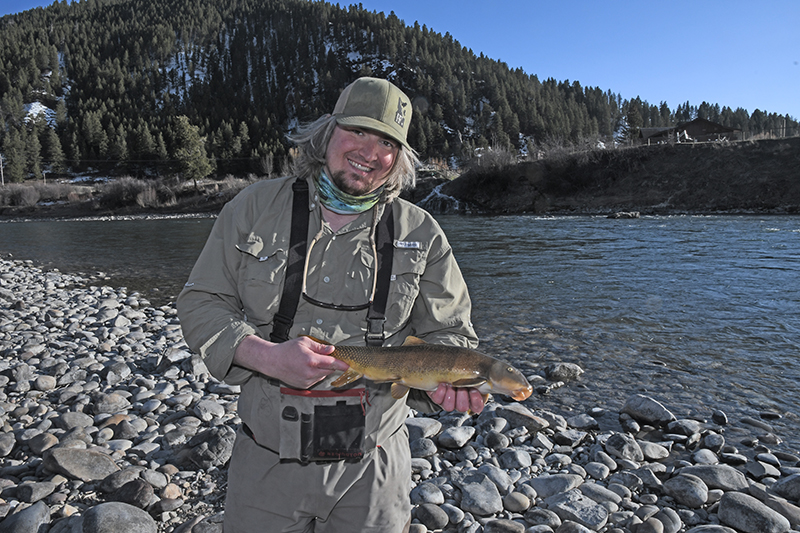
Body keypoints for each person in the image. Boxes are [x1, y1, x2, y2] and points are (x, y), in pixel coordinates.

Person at [176, 77, 484, 533]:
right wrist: (265, 356)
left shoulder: (423, 233)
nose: (369, 151)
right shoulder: (253, 208)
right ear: (327, 132)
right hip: (266, 461)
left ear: (399, 158)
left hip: (375, 468)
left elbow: (450, 336)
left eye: (386, 142)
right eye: (357, 131)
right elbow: (202, 302)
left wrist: (445, 383)